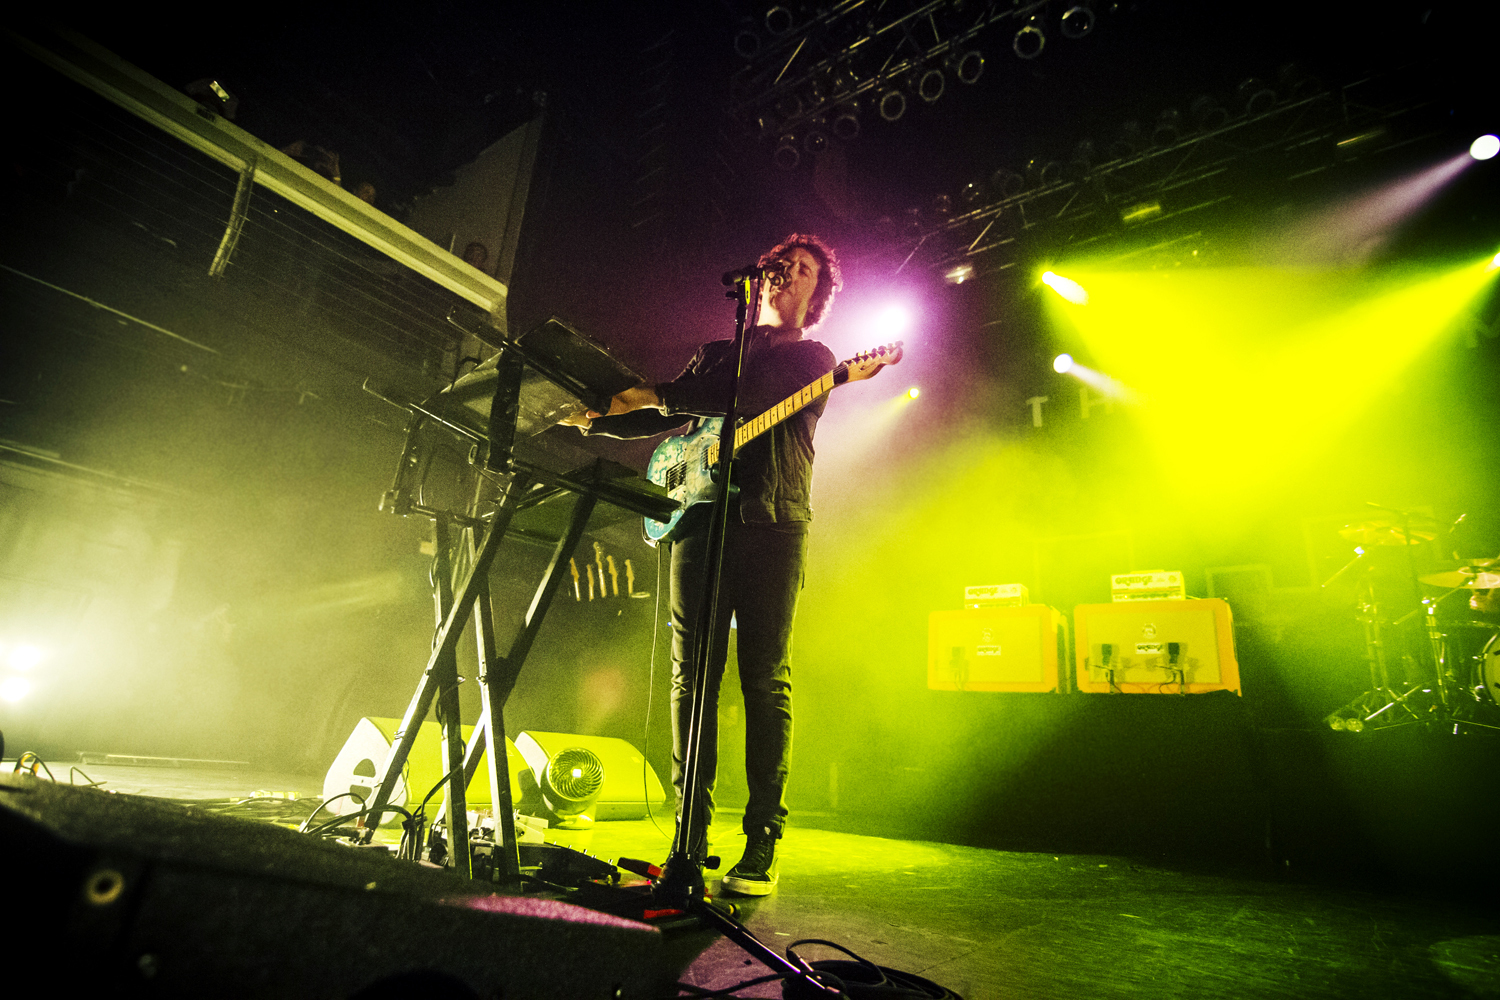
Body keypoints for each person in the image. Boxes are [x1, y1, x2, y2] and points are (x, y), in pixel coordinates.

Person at [562, 234, 843, 895]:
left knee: (764, 683)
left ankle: (761, 843)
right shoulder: (720, 352)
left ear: (817, 292)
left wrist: (647, 396)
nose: (784, 276)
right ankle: (688, 838)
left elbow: (735, 397)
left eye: (801, 271)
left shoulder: (815, 359)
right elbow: (678, 412)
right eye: (779, 266)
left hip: (773, 526)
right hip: (697, 524)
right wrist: (596, 418)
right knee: (691, 681)